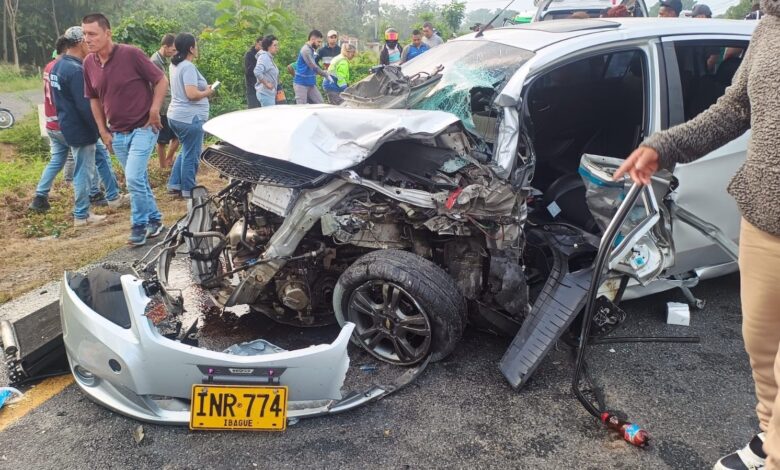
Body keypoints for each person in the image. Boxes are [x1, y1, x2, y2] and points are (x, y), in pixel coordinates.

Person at [613, 3, 780, 467]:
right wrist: (665, 145)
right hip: (764, 219)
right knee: (762, 348)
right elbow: (736, 108)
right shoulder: (771, 25)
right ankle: (767, 437)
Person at [82, 13, 167, 246]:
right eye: (85, 34)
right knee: (139, 179)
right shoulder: (88, 63)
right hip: (117, 134)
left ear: (107, 33)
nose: (87, 39)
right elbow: (93, 98)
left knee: (133, 178)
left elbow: (161, 80)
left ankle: (138, 225)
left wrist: (154, 110)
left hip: (143, 128)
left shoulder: (131, 54)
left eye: (92, 34)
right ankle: (155, 220)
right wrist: (103, 131)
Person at [51, 26, 123, 226]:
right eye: (87, 39)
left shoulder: (59, 65)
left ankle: (114, 197)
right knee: (84, 170)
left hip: (70, 124)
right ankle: (81, 215)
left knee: (102, 158)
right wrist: (102, 129)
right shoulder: (76, 70)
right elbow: (86, 106)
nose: (90, 44)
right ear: (80, 43)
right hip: (81, 129)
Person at [166, 33, 213, 201]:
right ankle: (189, 189)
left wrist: (203, 89)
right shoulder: (188, 67)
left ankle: (175, 184)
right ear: (191, 48)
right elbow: (192, 94)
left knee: (186, 149)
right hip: (189, 118)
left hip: (176, 115)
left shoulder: (175, 65)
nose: (197, 48)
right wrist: (208, 92)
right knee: (192, 154)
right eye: (196, 45)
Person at [29, 36, 71, 213]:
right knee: (90, 156)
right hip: (64, 123)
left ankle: (40, 197)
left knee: (57, 160)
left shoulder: (49, 66)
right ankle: (93, 195)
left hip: (51, 124)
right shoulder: (64, 68)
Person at [150, 33, 179, 169]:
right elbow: (157, 86)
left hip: (169, 104)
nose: (174, 52)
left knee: (177, 136)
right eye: (173, 49)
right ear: (165, 47)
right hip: (162, 107)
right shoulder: (155, 61)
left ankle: (168, 160)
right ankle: (163, 166)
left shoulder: (164, 60)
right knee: (162, 140)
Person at [293, 30, 332, 105]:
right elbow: (314, 67)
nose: (320, 44)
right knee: (301, 108)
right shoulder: (306, 50)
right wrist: (325, 75)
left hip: (311, 83)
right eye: (318, 42)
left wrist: (324, 72)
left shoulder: (311, 50)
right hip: (301, 84)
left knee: (321, 104)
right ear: (312, 39)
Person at [253, 35, 280, 108]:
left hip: (269, 93)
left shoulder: (268, 57)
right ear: (268, 46)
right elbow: (257, 71)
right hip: (265, 93)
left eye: (277, 45)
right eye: (275, 45)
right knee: (270, 114)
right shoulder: (264, 57)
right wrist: (267, 83)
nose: (277, 47)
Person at [244, 36, 263, 109]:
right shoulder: (249, 54)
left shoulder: (263, 55)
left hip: (261, 86)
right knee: (253, 108)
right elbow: (249, 71)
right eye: (260, 45)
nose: (261, 47)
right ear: (256, 43)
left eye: (263, 46)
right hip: (252, 85)